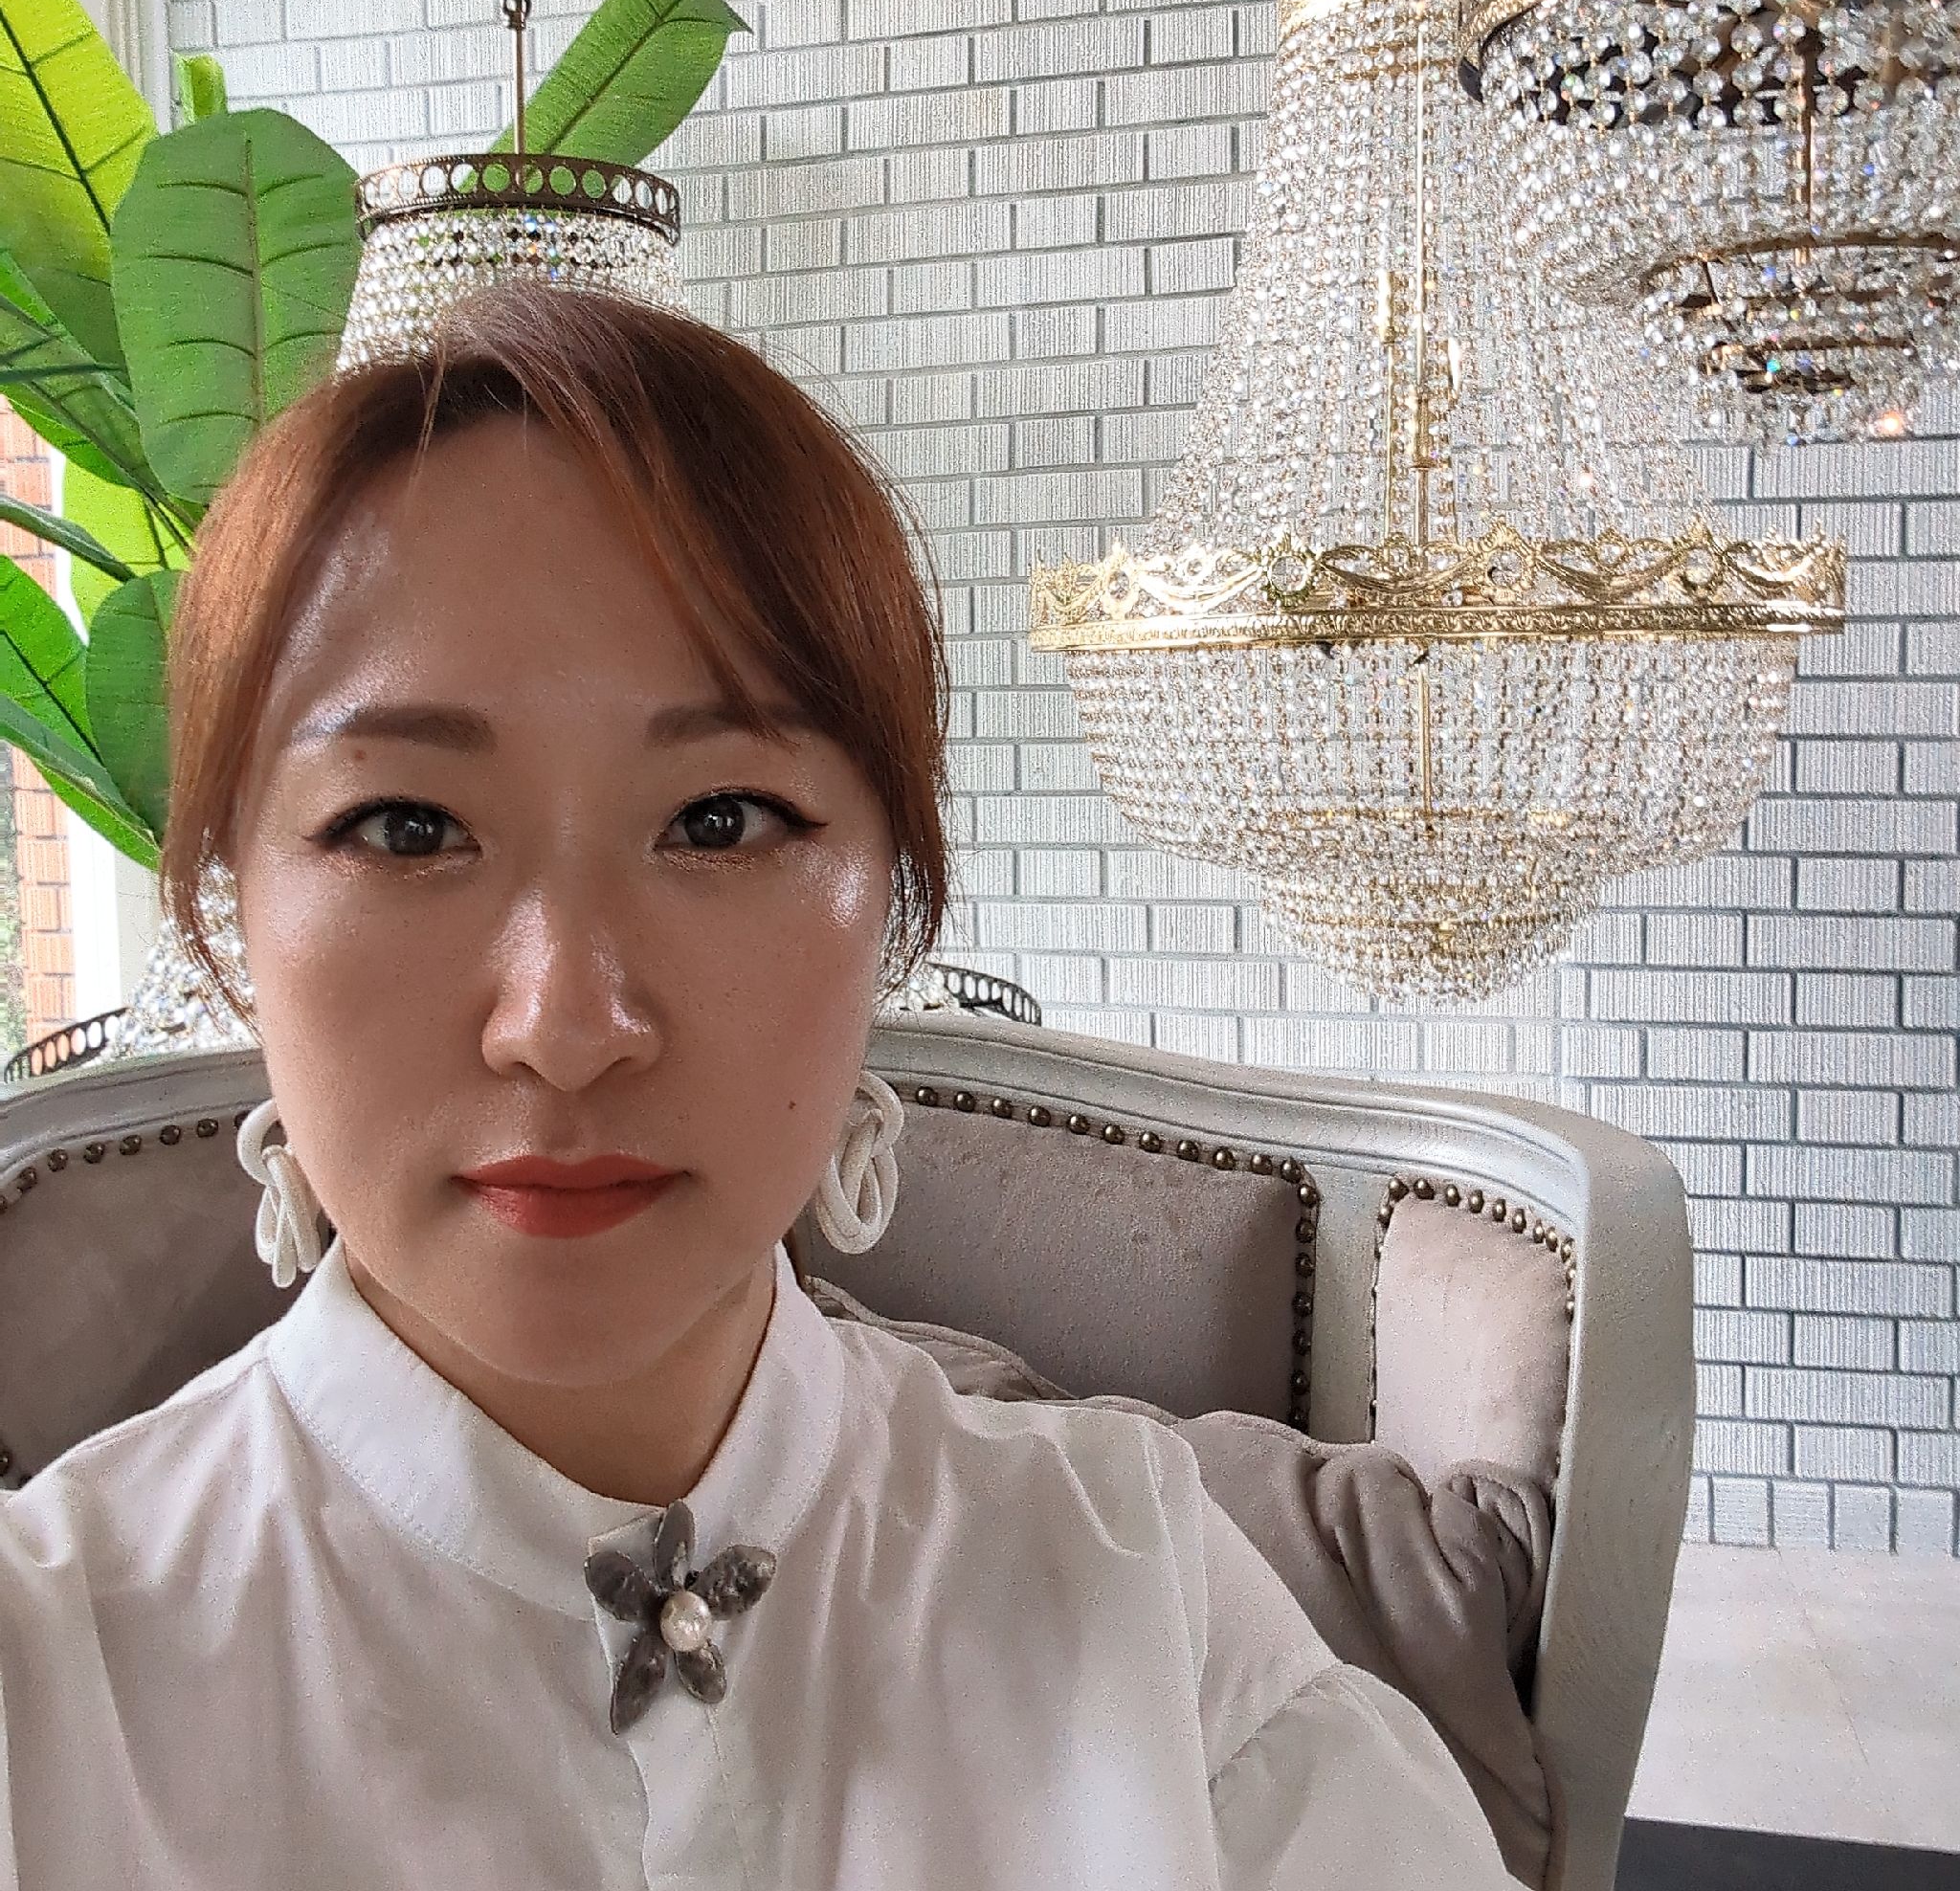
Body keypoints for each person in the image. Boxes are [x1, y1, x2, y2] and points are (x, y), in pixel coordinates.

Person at [0, 283, 1514, 1888]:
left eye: (719, 821)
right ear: (230, 913)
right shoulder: (51, 1688)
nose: (564, 1027)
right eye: (407, 826)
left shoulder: (1140, 1600)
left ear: (893, 909)